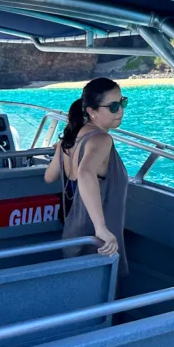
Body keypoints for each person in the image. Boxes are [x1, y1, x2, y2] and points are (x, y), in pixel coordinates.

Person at [44, 78, 128, 273]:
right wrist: (101, 228)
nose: (121, 111)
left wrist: (60, 150)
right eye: (113, 106)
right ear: (91, 111)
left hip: (73, 235)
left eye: (122, 102)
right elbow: (85, 172)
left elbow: (49, 177)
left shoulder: (70, 138)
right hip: (97, 241)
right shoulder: (101, 139)